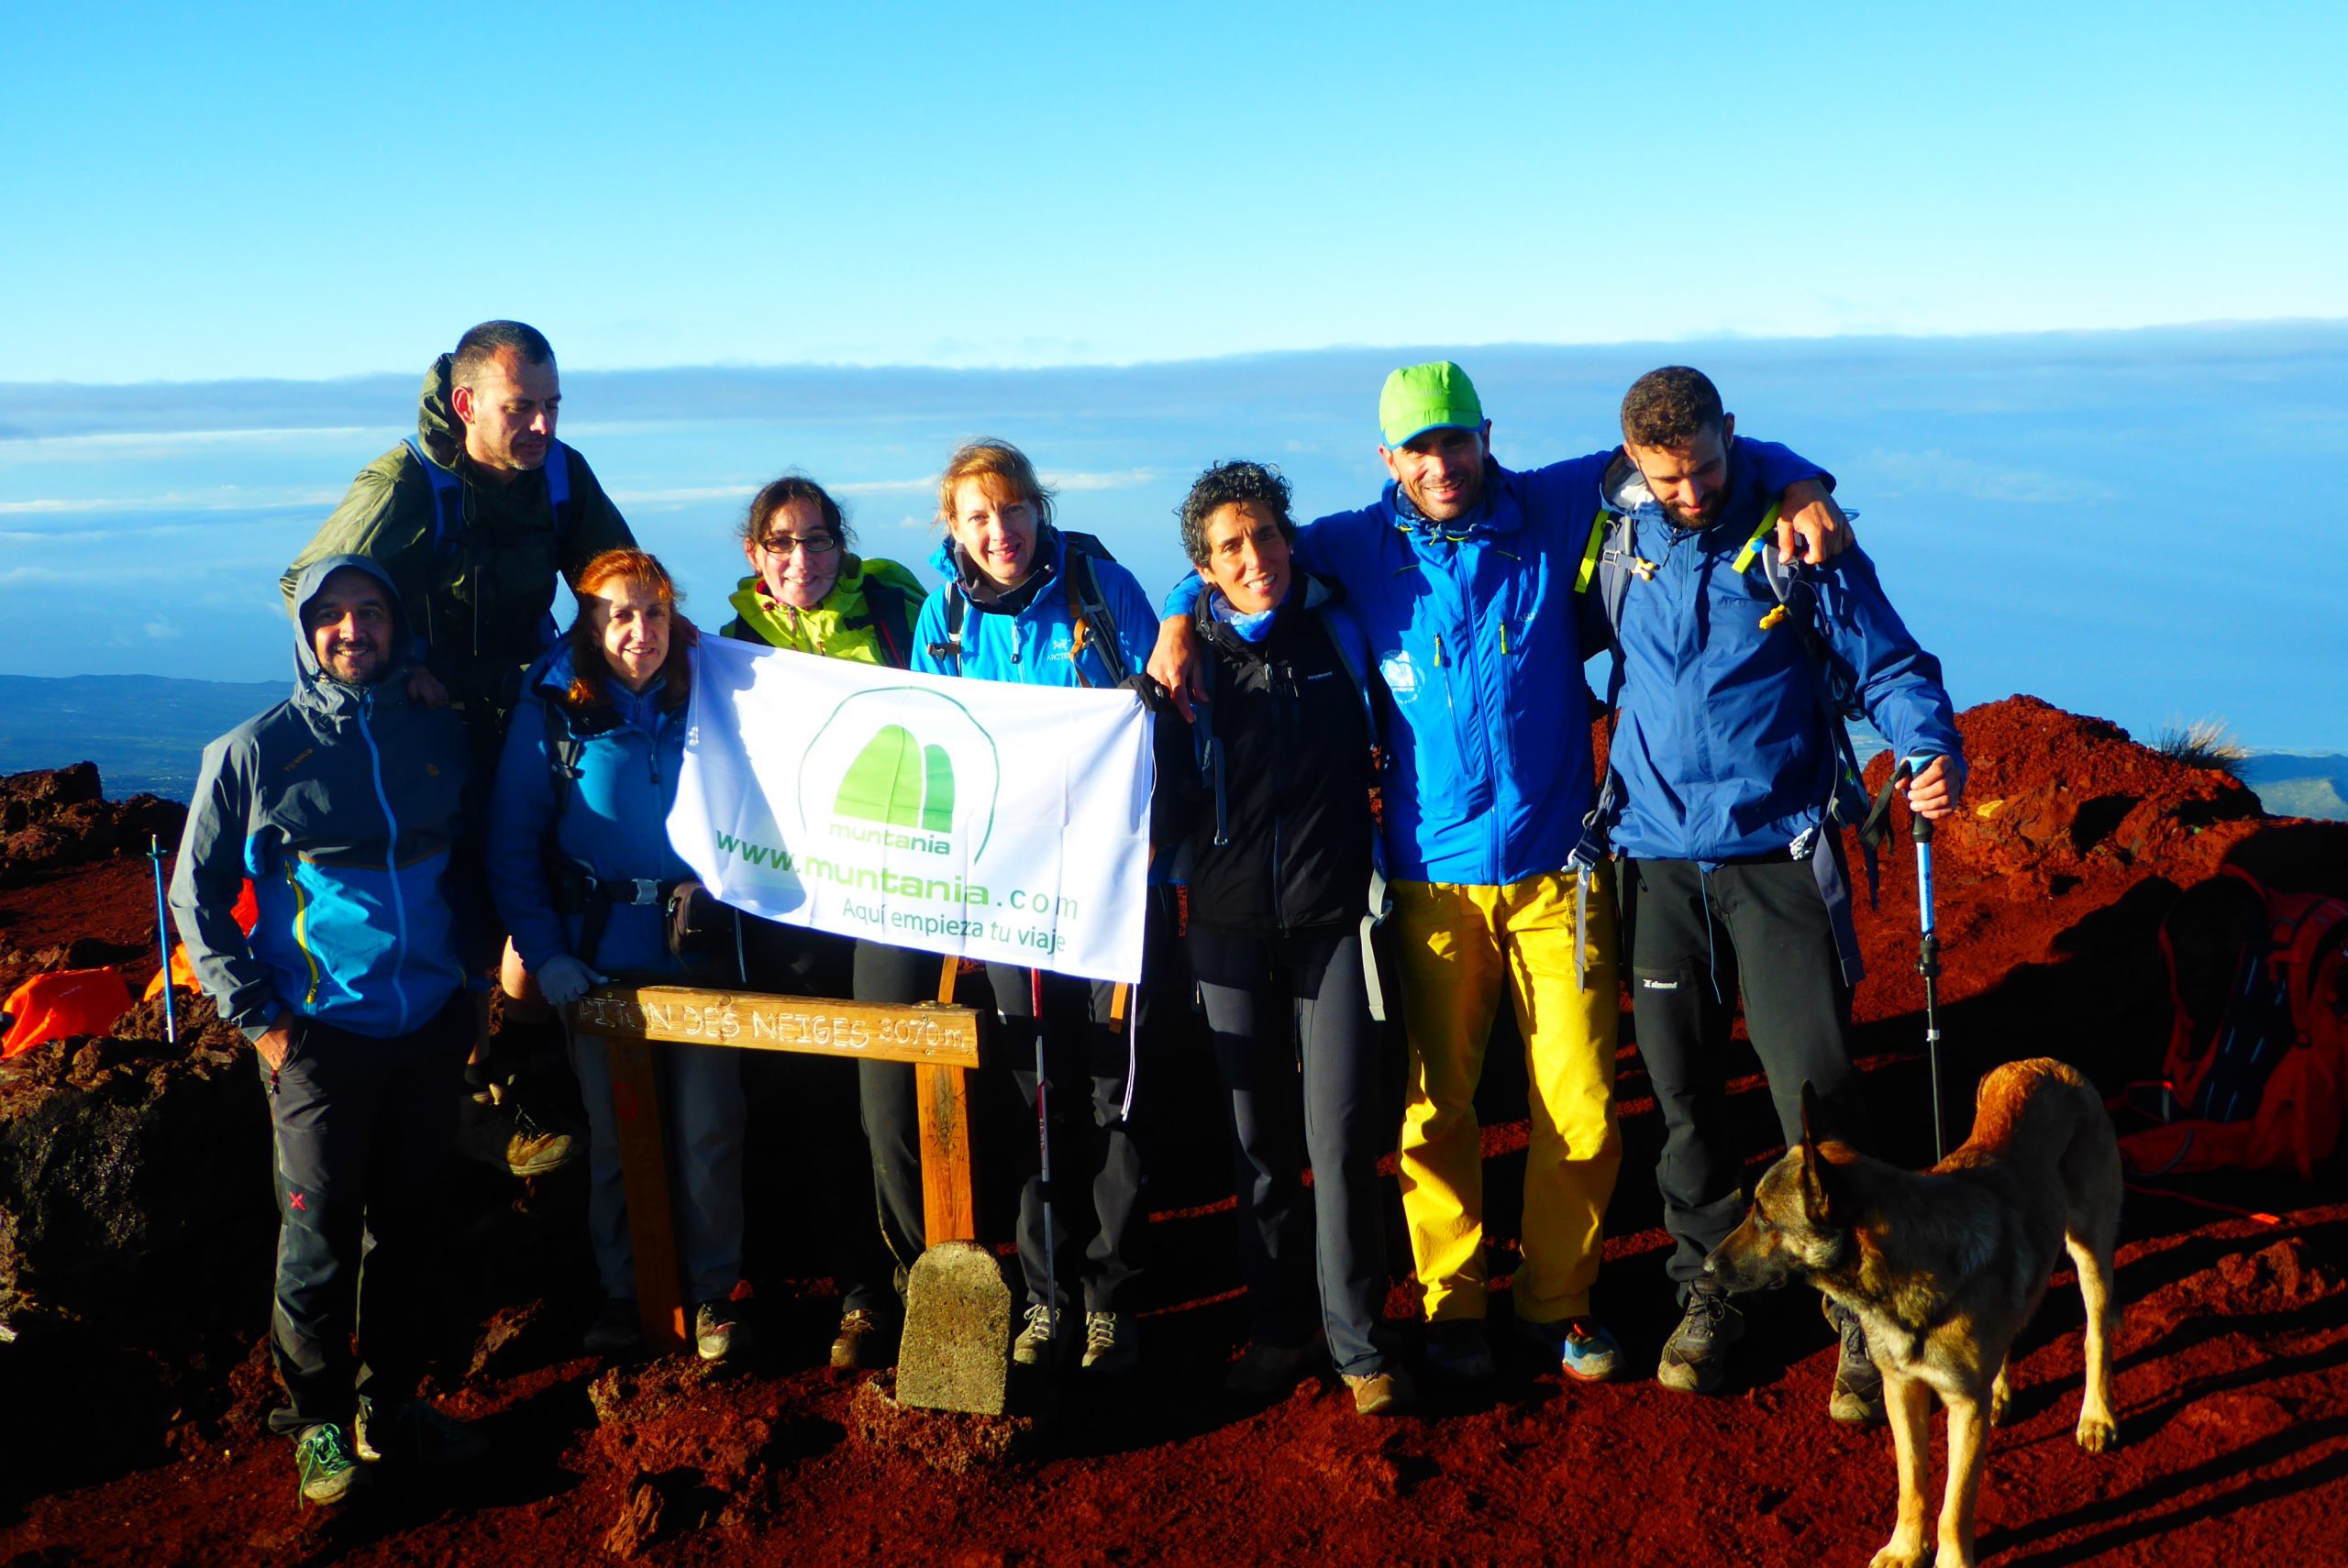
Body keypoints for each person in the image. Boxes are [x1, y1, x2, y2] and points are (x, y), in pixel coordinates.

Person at [1146, 362, 1846, 1385]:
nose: (1441, 464)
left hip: (1559, 870)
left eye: (1456, 441)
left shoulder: (1555, 504)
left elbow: (1687, 458)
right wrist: (1173, 616)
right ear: (1389, 460)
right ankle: (1453, 1301)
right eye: (1418, 450)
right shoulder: (1352, 543)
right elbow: (1240, 555)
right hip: (1428, 877)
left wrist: (1799, 482)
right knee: (1440, 1106)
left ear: (1485, 435)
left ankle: (1557, 1299)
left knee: (1582, 1102)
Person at [1578, 366, 1963, 1416]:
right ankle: (1711, 1289)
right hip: (1654, 859)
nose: (1690, 491)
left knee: (1818, 1090)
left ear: (1732, 438)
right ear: (1636, 466)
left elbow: (1889, 667)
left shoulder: (1800, 540)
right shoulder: (1613, 534)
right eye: (1667, 476)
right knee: (1685, 1094)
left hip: (1780, 856)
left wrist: (1927, 749)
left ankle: (1855, 1308)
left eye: (1704, 466)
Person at [282, 320, 637, 1176]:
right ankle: (469, 1101)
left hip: (519, 716)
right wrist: (400, 665)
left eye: (553, 406)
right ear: (468, 402)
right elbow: (310, 585)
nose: (543, 427)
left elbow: (614, 576)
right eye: (523, 408)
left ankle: (513, 1074)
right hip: (425, 729)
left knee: (542, 886)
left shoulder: (559, 474)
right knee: (451, 908)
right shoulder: (408, 481)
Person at [172, 557, 491, 1505]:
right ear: (305, 634)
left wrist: (472, 985)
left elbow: (466, 870)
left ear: (399, 625)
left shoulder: (438, 732)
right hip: (317, 1037)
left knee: (410, 1231)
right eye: (332, 617)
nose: (353, 630)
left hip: (428, 1025)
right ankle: (313, 1424)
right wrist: (259, 1019)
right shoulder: (254, 750)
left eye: (371, 612)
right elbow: (195, 897)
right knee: (318, 1240)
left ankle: (389, 1408)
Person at [1147, 461, 1413, 1417]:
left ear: (1287, 538)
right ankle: (1275, 1330)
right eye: (1229, 547)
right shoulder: (1184, 660)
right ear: (1203, 568)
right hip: (1220, 927)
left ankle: (1359, 1343)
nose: (1254, 558)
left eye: (1263, 535)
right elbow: (1152, 790)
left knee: (1339, 1137)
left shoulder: (1340, 630)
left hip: (1333, 920)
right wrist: (1174, 631)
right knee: (1253, 1145)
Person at [907, 438, 1159, 1377]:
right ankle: (1046, 1298)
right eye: (978, 517)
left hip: (1108, 890)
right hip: (1006, 895)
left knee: (1114, 1093)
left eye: (1012, 511)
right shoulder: (943, 616)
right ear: (953, 528)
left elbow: (1160, 701)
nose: (999, 532)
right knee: (1035, 1088)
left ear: (1037, 510)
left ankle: (1111, 1299)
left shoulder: (1098, 587)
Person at [485, 549, 750, 1363]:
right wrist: (548, 955)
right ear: (591, 625)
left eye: (656, 612)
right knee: (616, 1130)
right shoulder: (553, 715)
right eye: (620, 615)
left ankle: (710, 1296)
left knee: (708, 1131)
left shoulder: (709, 696)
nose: (641, 631)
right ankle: (625, 1292)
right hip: (598, 961)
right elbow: (512, 850)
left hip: (699, 953)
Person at [718, 473, 933, 1370]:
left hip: (892, 896)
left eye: (815, 541)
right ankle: (858, 1292)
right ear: (754, 555)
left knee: (892, 1094)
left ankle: (926, 1281)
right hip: (789, 904)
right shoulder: (730, 646)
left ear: (840, 545)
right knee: (812, 1101)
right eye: (781, 543)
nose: (800, 559)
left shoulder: (896, 614)